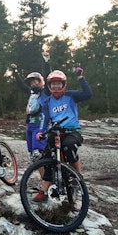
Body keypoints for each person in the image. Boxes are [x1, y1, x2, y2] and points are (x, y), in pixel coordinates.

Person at [34, 67, 92, 202]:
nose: (55, 86)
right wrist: (41, 131)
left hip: (72, 131)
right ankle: (44, 189)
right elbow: (44, 118)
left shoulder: (71, 95)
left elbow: (88, 94)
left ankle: (76, 177)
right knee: (46, 157)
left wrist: (80, 78)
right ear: (49, 86)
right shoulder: (47, 101)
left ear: (63, 84)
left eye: (58, 83)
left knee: (69, 145)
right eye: (52, 84)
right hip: (55, 132)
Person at [11, 52, 51, 162]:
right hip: (30, 125)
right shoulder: (31, 93)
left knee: (37, 153)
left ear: (41, 82)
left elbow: (48, 78)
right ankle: (44, 178)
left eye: (35, 82)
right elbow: (21, 85)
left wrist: (47, 62)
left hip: (40, 125)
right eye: (32, 82)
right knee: (33, 156)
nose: (33, 84)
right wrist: (15, 72)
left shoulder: (45, 92)